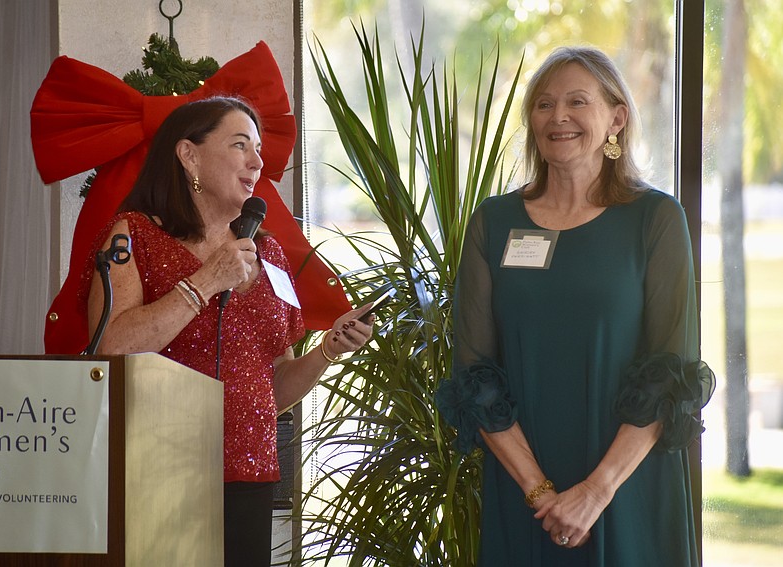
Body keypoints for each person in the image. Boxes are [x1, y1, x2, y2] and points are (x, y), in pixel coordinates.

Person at [436, 46, 715, 566]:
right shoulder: (493, 223)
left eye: (577, 102)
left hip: (629, 488)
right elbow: (475, 376)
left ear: (617, 118)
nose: (557, 116)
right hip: (525, 493)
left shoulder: (655, 219)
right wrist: (542, 495)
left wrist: (595, 492)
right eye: (543, 104)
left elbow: (670, 376)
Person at [81, 96, 374, 566]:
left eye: (258, 149)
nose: (258, 161)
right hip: (155, 469)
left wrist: (326, 352)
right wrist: (205, 282)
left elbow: (270, 387)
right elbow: (111, 348)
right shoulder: (131, 235)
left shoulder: (268, 253)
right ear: (189, 155)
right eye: (241, 146)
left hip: (249, 471)